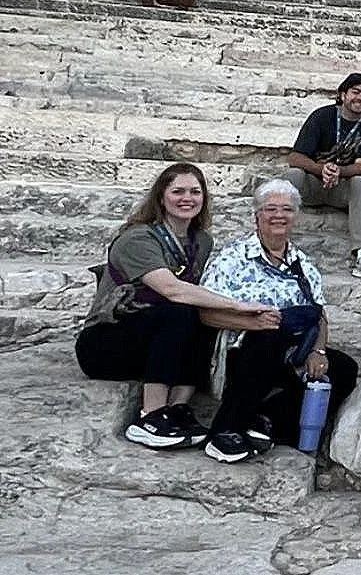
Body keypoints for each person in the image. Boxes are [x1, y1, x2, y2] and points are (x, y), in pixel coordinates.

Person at [76, 164, 278, 449]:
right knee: (178, 311)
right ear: (161, 197)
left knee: (202, 317)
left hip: (154, 342)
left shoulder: (201, 241)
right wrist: (238, 307)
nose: (187, 198)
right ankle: (152, 415)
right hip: (105, 342)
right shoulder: (138, 239)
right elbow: (172, 289)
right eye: (178, 191)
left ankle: (178, 407)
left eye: (195, 192)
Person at [198, 179, 360, 463]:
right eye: (270, 209)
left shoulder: (302, 263)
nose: (279, 215)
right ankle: (225, 429)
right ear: (257, 215)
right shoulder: (232, 258)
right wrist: (253, 323)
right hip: (241, 350)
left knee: (344, 368)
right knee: (266, 337)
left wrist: (318, 350)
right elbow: (206, 314)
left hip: (290, 352)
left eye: (287, 209)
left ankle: (266, 420)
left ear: (296, 216)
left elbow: (319, 314)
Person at [284, 72, 361, 280]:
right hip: (313, 184)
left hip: (342, 188)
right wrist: (321, 169)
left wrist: (338, 171)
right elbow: (295, 157)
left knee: (360, 182)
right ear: (342, 94)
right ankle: (274, 242)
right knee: (292, 175)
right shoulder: (322, 116)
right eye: (356, 92)